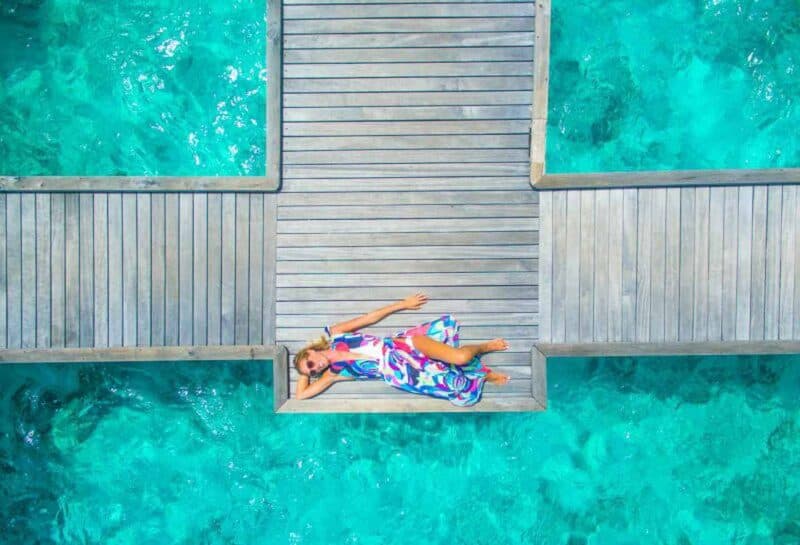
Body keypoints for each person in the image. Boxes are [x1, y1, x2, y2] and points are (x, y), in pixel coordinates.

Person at [293, 293, 510, 407]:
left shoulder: (337, 334)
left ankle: (484, 347)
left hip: (403, 346)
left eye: (310, 363)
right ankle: (486, 376)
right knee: (457, 384)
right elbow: (301, 395)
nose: (315, 368)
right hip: (406, 375)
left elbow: (369, 318)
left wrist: (403, 304)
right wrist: (302, 373)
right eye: (312, 372)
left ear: (311, 351)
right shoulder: (334, 374)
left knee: (460, 357)